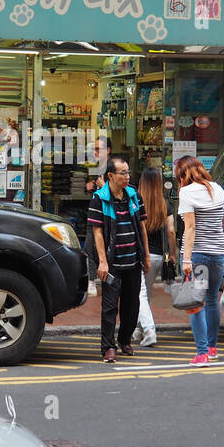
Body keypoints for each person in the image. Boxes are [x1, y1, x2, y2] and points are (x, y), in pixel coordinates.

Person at [176, 154, 224, 366]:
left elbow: (190, 227)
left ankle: (201, 353)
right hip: (218, 256)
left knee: (196, 304)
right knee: (212, 301)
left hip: (199, 258)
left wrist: (186, 260)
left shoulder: (186, 192)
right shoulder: (218, 189)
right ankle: (212, 348)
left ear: (182, 174)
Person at [87, 154, 148, 363]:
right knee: (110, 307)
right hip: (113, 264)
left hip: (133, 261)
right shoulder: (99, 198)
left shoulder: (134, 196)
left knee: (132, 306)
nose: (128, 176)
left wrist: (145, 256)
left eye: (129, 172)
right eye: (124, 173)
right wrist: (102, 262)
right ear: (111, 176)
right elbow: (97, 233)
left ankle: (125, 340)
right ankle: (108, 347)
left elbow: (141, 227)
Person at [132, 166, 176, 348]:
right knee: (145, 293)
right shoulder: (165, 204)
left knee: (140, 294)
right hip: (159, 257)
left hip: (140, 255)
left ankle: (149, 330)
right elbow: (171, 231)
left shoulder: (135, 203)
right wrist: (173, 254)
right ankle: (138, 329)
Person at [83, 134, 112, 295]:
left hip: (107, 214)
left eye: (98, 149)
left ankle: (93, 280)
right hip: (96, 212)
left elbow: (119, 191)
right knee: (90, 246)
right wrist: (92, 187)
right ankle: (91, 280)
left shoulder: (112, 168)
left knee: (96, 246)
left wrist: (102, 186)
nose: (95, 152)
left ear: (108, 150)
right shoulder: (98, 167)